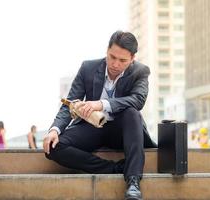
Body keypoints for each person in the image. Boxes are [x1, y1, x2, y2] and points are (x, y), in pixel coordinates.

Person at [43, 31, 156, 200]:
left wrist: (101, 104)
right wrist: (55, 129)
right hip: (92, 128)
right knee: (52, 146)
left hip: (122, 131)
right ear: (107, 51)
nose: (115, 64)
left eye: (123, 60)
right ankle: (114, 169)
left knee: (132, 112)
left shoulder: (140, 72)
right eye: (112, 57)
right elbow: (70, 103)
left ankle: (133, 181)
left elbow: (138, 100)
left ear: (132, 59)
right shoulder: (88, 68)